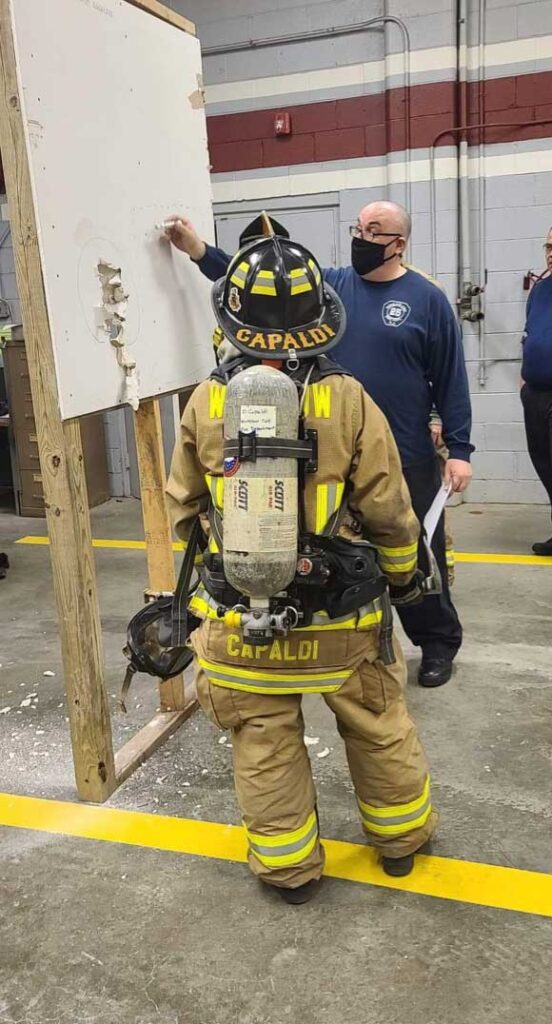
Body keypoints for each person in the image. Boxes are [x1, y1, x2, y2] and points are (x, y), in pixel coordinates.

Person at [165, 227, 437, 904]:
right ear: (320, 318)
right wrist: (403, 581)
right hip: (341, 621)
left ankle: (289, 872)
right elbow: (391, 509)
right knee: (377, 727)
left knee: (264, 743)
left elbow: (182, 508)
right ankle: (399, 843)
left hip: (238, 622)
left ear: (234, 321)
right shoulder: (349, 398)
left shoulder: (206, 400)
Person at [165, 201, 473, 687]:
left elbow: (451, 376)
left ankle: (436, 643)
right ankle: (362, 640)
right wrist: (199, 250)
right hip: (339, 451)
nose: (362, 237)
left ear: (399, 243)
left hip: (407, 448)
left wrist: (460, 449)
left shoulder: (426, 298)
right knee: (348, 548)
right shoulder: (335, 285)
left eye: (375, 230)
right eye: (359, 226)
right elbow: (264, 285)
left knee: (416, 550)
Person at [520, 227, 552, 555]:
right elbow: (530, 334)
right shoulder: (540, 291)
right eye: (548, 246)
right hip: (536, 393)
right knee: (543, 462)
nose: (551, 252)